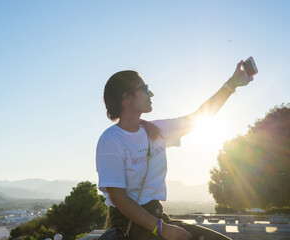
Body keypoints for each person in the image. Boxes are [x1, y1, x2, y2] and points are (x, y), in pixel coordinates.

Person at [96, 61, 252, 240]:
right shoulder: (110, 140)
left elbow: (199, 116)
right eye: (145, 89)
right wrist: (162, 229)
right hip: (131, 227)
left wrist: (232, 84)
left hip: (156, 219)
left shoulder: (156, 130)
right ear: (127, 98)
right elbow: (119, 199)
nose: (151, 94)